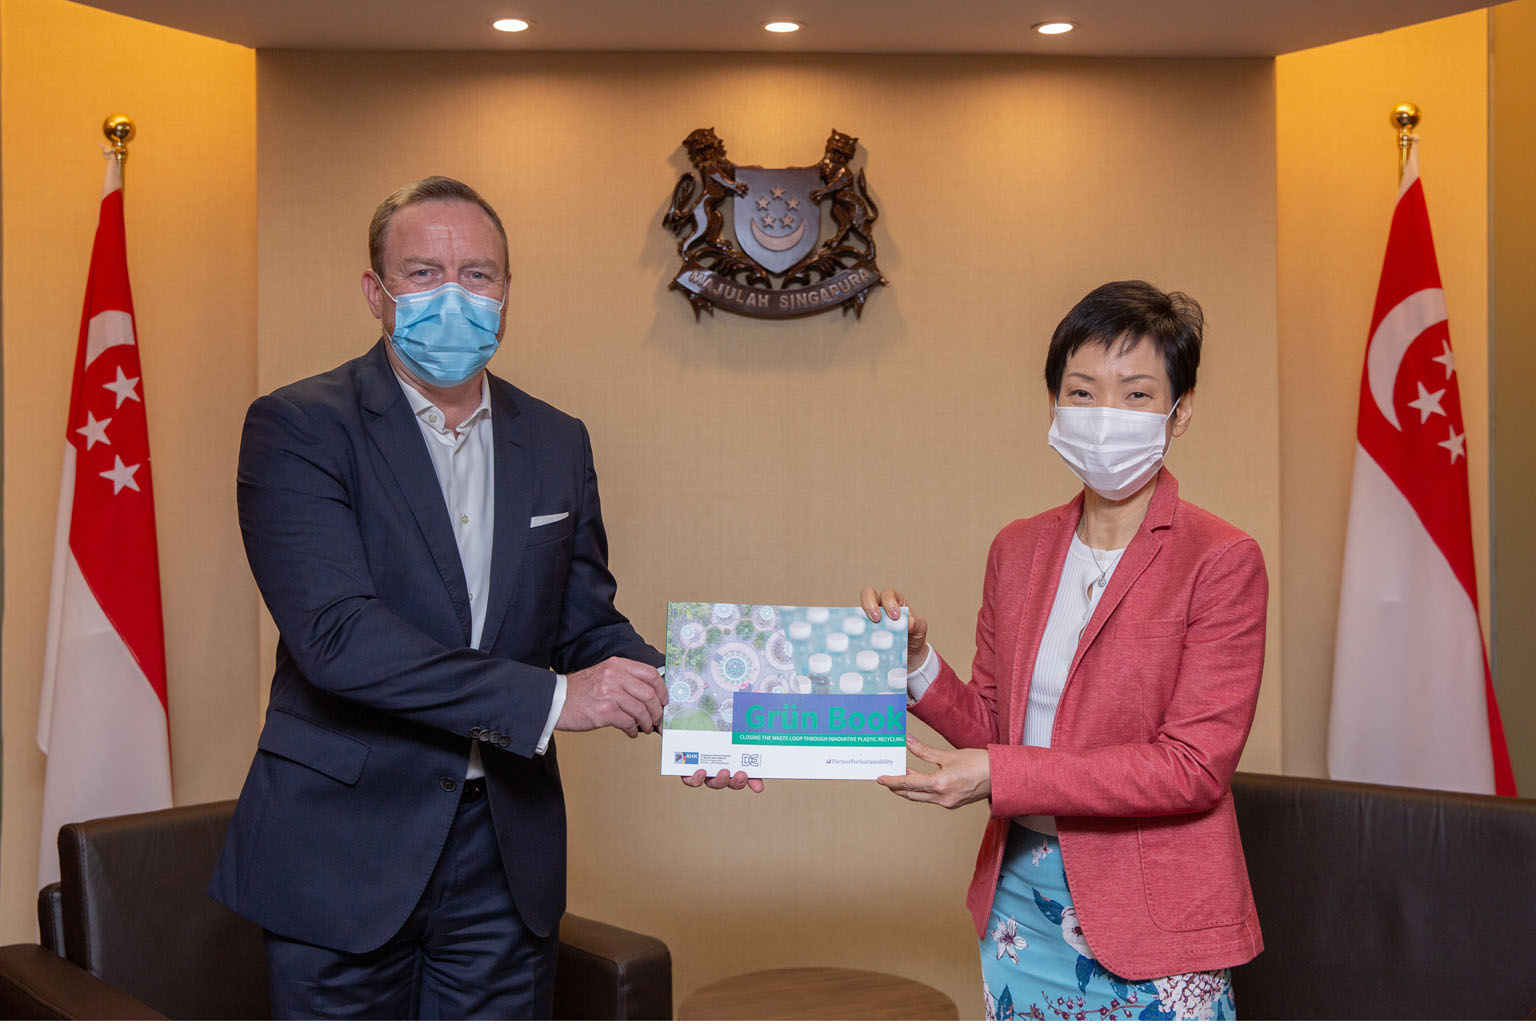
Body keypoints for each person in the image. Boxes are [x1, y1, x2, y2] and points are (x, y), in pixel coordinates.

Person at [210, 176, 673, 1019]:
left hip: (504, 852)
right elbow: (338, 637)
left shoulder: (556, 439)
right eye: (424, 274)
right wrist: (553, 700)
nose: (454, 294)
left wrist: (699, 708)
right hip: (341, 852)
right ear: (376, 294)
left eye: (480, 274)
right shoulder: (300, 428)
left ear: (506, 293)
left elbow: (584, 624)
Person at [863, 280, 1266, 1021]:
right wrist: (915, 663)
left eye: (1136, 394)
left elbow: (1192, 767)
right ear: (1053, 405)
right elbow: (994, 730)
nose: (1105, 415)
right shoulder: (1018, 550)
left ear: (1181, 411)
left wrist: (999, 771)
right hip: (1021, 900)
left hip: (1156, 917)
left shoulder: (1222, 559)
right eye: (1082, 391)